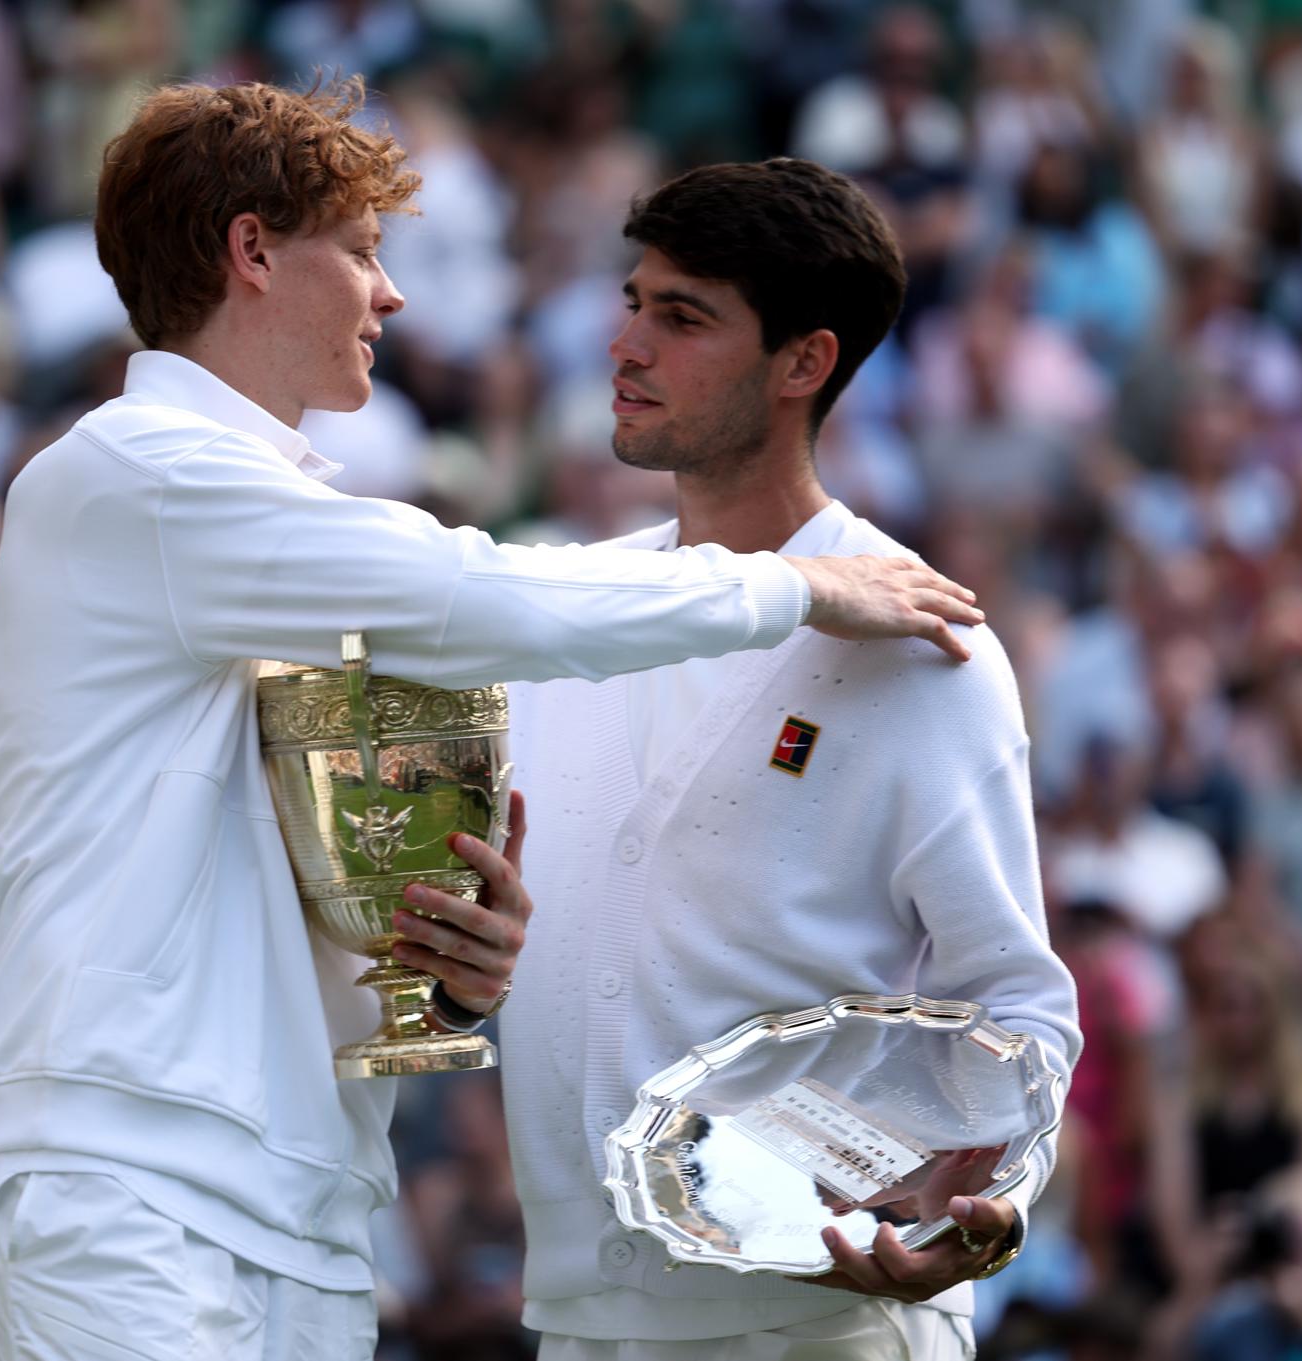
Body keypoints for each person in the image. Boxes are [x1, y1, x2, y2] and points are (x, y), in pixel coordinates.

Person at [0, 79, 984, 1361]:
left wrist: (446, 962)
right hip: (119, 1176)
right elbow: (476, 589)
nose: (391, 295)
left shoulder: (265, 525)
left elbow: (308, 883)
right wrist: (802, 584)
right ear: (253, 252)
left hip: (300, 1197)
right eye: (364, 252)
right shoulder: (129, 475)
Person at [493, 160, 1080, 1361]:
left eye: (683, 316)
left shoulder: (928, 647)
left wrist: (989, 1201)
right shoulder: (571, 607)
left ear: (804, 362)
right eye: (633, 301)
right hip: (578, 1321)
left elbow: (1019, 1005)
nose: (628, 345)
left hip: (821, 1321)